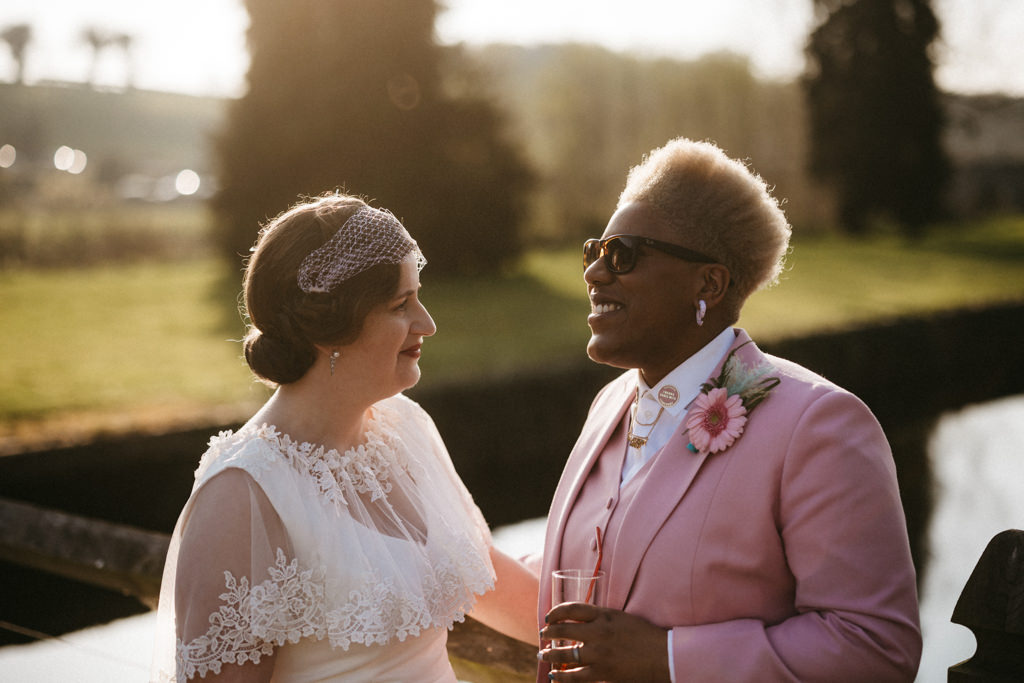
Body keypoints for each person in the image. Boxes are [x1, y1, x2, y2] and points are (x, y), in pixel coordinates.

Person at [536, 138, 922, 682]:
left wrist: (667, 659)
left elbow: (875, 648)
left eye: (623, 253)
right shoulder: (609, 406)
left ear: (709, 283)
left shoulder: (818, 426)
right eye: (593, 251)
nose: (595, 273)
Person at [150, 192, 538, 682]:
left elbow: (489, 578)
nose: (428, 323)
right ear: (329, 326)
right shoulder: (242, 496)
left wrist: (644, 645)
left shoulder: (407, 428)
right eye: (402, 304)